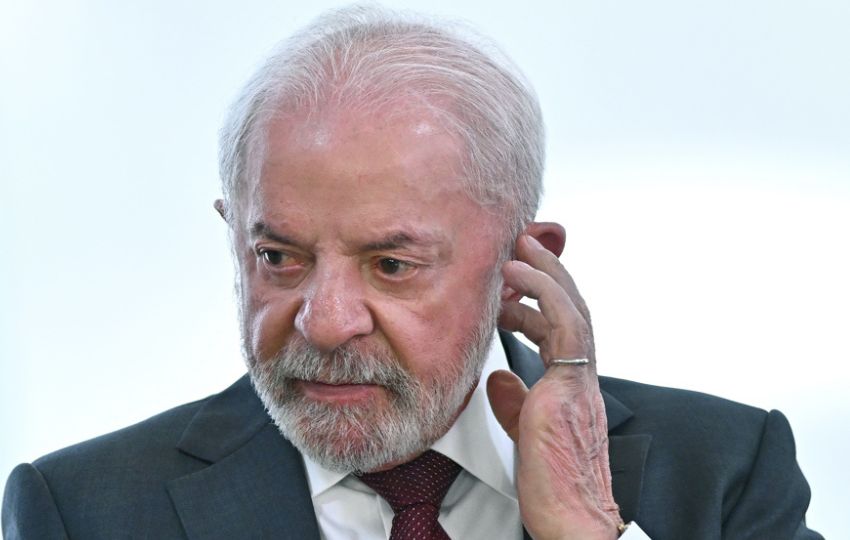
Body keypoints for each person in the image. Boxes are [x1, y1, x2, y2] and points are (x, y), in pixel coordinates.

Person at [2, 5, 821, 540]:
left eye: (391, 264)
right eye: (278, 257)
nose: (325, 321)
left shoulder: (724, 476)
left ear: (520, 268)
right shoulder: (82, 511)